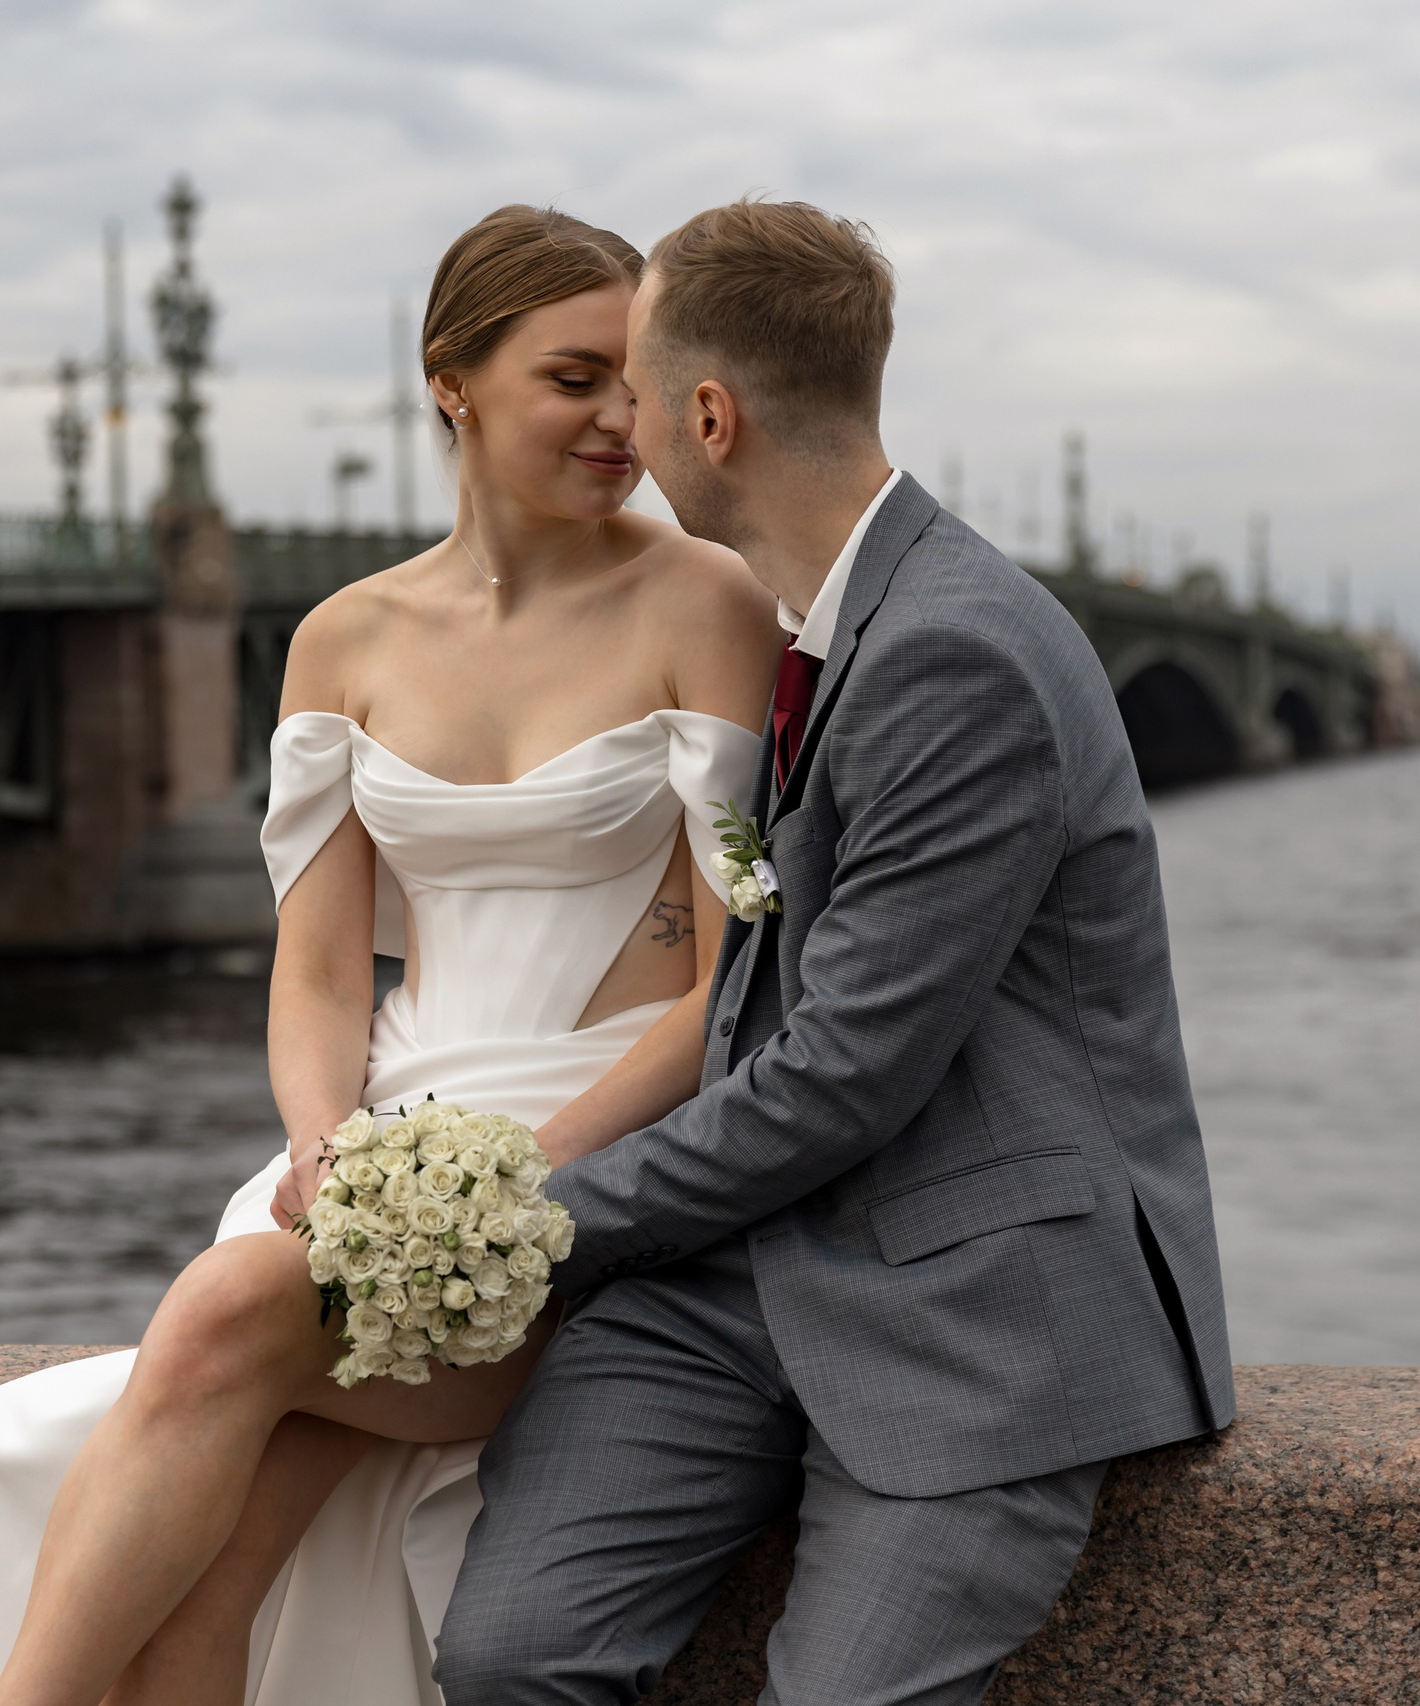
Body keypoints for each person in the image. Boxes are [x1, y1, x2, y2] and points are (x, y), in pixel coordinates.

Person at [0, 205, 782, 1706]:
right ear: (451, 382)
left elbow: (726, 987)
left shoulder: (706, 603)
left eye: (642, 377)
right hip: (366, 1159)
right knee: (210, 1589)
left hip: (605, 1186)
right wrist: (321, 1140)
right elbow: (322, 969)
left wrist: (531, 1179)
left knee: (220, 1319)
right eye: (575, 376)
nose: (624, 417)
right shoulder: (344, 638)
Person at [432, 198, 1236, 1706]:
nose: (623, 424)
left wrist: (534, 1218)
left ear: (711, 417)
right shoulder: (828, 617)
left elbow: (840, 1076)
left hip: (970, 1306)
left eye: (638, 390)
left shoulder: (953, 651)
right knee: (508, 1656)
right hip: (744, 1277)